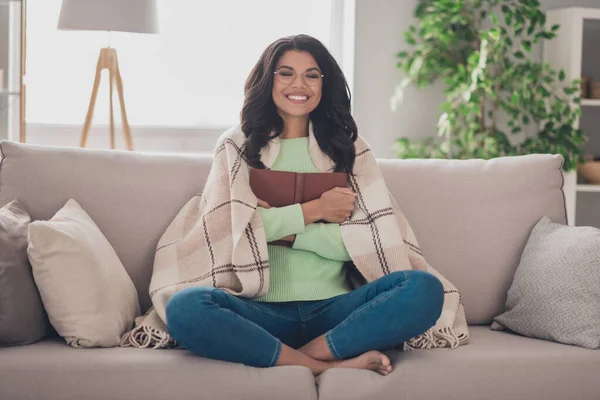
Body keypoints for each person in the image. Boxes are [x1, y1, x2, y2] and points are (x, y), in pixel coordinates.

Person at [165, 34, 444, 376]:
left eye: (312, 75)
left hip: (336, 312)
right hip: (259, 311)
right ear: (268, 80)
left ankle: (308, 356)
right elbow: (230, 234)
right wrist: (318, 212)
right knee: (184, 307)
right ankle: (327, 365)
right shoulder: (235, 146)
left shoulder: (351, 150)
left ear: (325, 83)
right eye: (286, 73)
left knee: (423, 288)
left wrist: (280, 229)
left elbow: (365, 243)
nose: (300, 84)